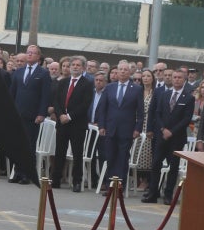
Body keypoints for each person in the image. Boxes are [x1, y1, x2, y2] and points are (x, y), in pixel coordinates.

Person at [143, 66, 193, 202]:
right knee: (156, 164)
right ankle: (153, 193)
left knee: (173, 167)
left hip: (176, 138)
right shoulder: (165, 94)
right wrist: (163, 129)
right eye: (174, 77)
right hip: (161, 136)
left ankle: (169, 195)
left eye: (179, 78)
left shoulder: (188, 97)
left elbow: (186, 119)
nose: (176, 80)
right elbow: (157, 113)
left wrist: (171, 131)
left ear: (184, 80)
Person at [9, 43, 53, 184]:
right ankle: (17, 172)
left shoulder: (43, 73)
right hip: (17, 113)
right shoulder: (19, 72)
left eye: (33, 53)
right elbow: (12, 93)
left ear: (38, 56)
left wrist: (41, 113)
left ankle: (27, 174)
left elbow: (45, 96)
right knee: (17, 144)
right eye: (28, 52)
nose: (29, 54)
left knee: (29, 145)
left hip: (32, 115)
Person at [93, 59, 139, 192]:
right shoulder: (110, 87)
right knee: (110, 157)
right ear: (117, 72)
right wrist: (101, 126)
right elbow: (102, 108)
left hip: (127, 130)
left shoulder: (136, 89)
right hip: (110, 129)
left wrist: (137, 128)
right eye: (121, 69)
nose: (123, 72)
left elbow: (140, 112)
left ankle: (120, 185)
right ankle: (109, 186)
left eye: (126, 70)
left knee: (122, 158)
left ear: (130, 72)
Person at [50, 56, 93, 192]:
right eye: (72, 65)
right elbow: (56, 101)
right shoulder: (63, 82)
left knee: (77, 153)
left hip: (77, 124)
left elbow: (85, 104)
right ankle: (56, 179)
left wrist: (69, 116)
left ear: (83, 68)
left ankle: (77, 181)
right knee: (59, 152)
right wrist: (60, 115)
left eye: (78, 65)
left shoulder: (87, 84)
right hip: (62, 122)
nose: (74, 67)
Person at [130, 68, 158, 189]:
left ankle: (145, 180)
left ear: (152, 78)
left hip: (149, 124)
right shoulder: (138, 91)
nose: (145, 78)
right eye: (144, 76)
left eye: (148, 76)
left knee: (146, 153)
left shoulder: (156, 92)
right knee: (136, 151)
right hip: (137, 122)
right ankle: (136, 178)